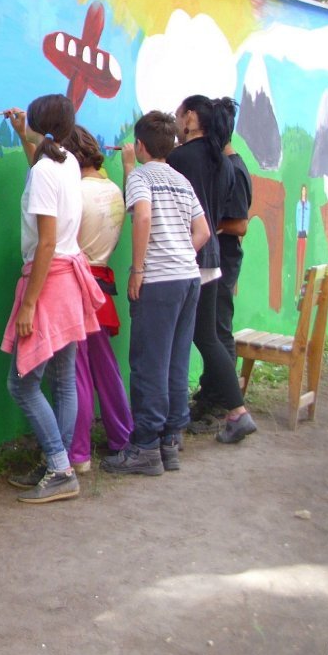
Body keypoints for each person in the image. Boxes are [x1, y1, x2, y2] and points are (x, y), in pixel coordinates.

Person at [2, 95, 103, 504]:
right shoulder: (66, 164)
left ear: (40, 124)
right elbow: (40, 172)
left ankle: (60, 468)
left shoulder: (48, 169)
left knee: (21, 384)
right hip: (67, 281)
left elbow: (46, 242)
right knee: (63, 381)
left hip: (48, 281)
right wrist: (22, 135)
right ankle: (55, 461)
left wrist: (29, 303)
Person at [102, 112, 210, 475]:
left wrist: (139, 268)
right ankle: (169, 442)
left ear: (142, 146)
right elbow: (203, 232)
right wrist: (180, 252)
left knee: (149, 363)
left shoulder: (142, 177)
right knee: (176, 362)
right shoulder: (181, 180)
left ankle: (145, 446)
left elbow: (143, 216)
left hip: (159, 282)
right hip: (188, 278)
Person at [168, 95, 256, 444]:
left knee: (183, 338)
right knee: (207, 337)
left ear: (190, 118)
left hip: (186, 257)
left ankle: (175, 421)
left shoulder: (179, 159)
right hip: (212, 259)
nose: (176, 123)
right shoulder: (224, 160)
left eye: (178, 116)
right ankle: (236, 411)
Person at [60, 127, 132, 471]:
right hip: (103, 284)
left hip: (77, 283)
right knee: (106, 368)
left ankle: (78, 452)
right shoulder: (114, 190)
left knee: (77, 373)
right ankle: (121, 436)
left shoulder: (75, 192)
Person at [194, 137, 252, 419]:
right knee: (211, 331)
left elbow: (241, 224)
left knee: (218, 330)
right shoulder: (225, 165)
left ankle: (223, 401)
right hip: (219, 258)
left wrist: (207, 222)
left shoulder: (234, 168)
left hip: (224, 259)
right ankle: (213, 391)